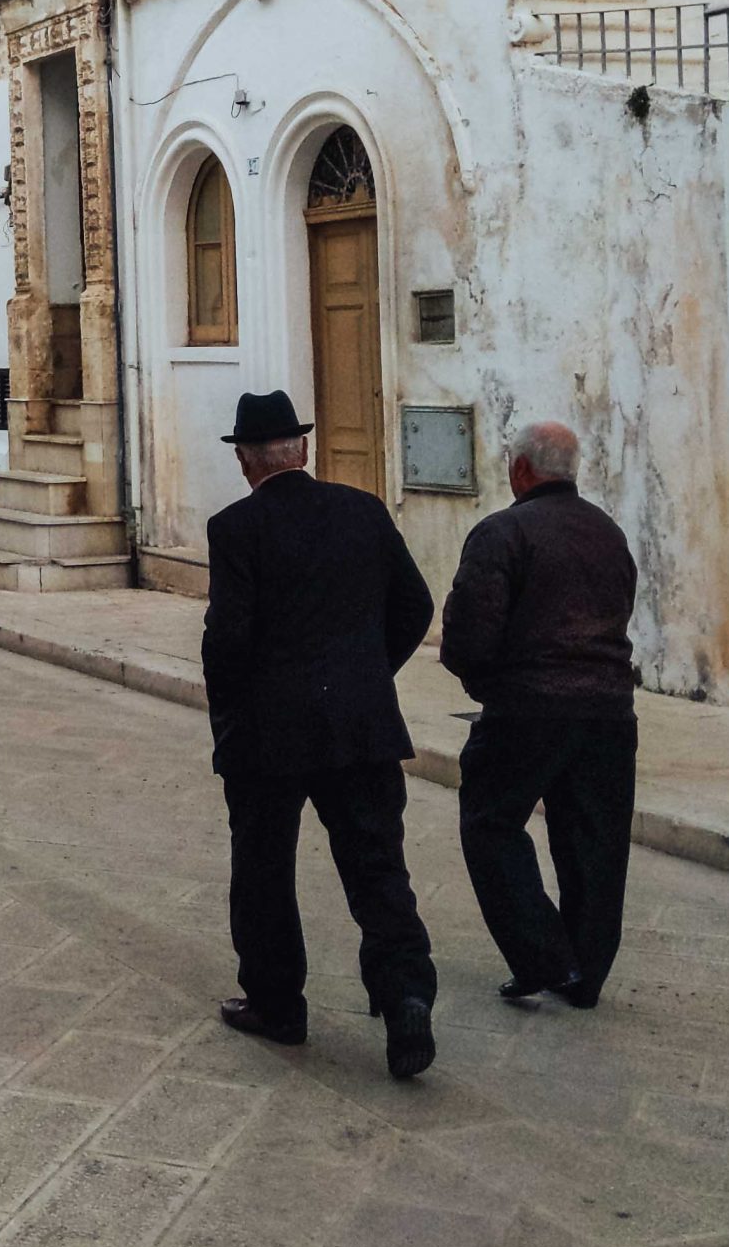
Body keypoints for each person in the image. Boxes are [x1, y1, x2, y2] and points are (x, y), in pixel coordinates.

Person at [202, 390, 439, 1081]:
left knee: (264, 873)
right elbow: (416, 604)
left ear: (247, 461)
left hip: (269, 735)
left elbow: (229, 640)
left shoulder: (235, 528)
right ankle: (405, 995)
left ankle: (277, 1004)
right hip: (359, 725)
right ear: (302, 450)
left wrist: (230, 718)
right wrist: (367, 674)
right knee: (377, 869)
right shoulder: (362, 511)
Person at [442, 419, 639, 1009]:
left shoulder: (502, 533)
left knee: (490, 823)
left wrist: (483, 684)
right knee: (597, 842)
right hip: (609, 709)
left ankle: (542, 955)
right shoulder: (609, 533)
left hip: (528, 708)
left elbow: (470, 635)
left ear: (522, 470)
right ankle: (585, 973)